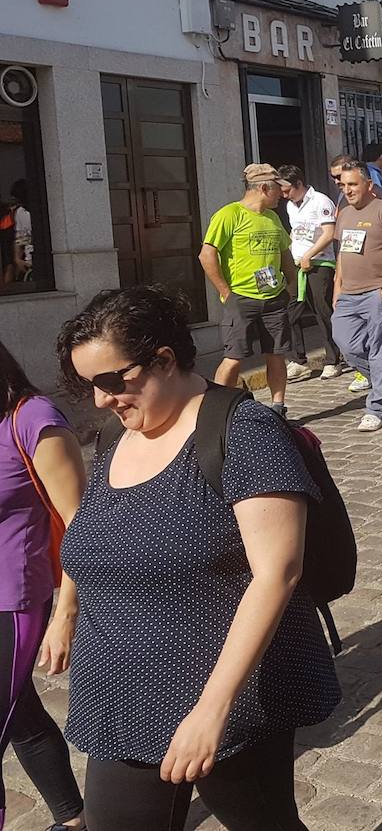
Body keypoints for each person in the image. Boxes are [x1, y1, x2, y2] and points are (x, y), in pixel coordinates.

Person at [55, 285, 339, 828]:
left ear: (164, 358)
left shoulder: (245, 432)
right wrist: (65, 611)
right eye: (88, 385)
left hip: (217, 695)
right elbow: (93, 537)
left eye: (113, 381)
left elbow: (277, 572)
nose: (100, 399)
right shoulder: (117, 435)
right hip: (120, 690)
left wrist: (213, 710)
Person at [0, 343, 86, 831]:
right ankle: (73, 819)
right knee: (19, 715)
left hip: (15, 598)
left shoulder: (33, 418)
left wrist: (65, 614)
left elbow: (80, 522)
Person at [198, 164, 294, 417]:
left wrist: (291, 285)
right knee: (234, 357)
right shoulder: (229, 215)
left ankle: (278, 406)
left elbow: (285, 253)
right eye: (277, 188)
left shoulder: (273, 218)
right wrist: (225, 292)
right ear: (263, 188)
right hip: (241, 298)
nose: (282, 194)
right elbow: (207, 254)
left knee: (276, 354)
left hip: (273, 298)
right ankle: (217, 411)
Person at [332, 160, 382, 432]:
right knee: (346, 344)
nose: (348, 190)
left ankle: (377, 407)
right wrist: (338, 287)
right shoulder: (343, 214)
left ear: (369, 185)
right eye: (343, 185)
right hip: (348, 293)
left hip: (379, 292)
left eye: (353, 184)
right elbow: (343, 254)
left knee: (379, 349)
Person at [280, 165, 342, 382]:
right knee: (291, 310)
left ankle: (333, 358)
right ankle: (298, 359)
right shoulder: (290, 206)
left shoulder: (321, 201)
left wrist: (310, 255)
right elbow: (295, 233)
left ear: (298, 184)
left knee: (321, 310)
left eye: (287, 189)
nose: (283, 194)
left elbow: (329, 233)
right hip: (297, 263)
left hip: (320, 262)